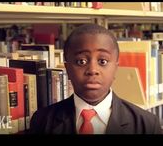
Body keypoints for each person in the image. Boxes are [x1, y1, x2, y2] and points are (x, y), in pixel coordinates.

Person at [29, 23, 162, 134]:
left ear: (115, 68)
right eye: (81, 61)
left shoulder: (147, 125)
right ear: (67, 69)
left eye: (102, 61)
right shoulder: (42, 121)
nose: (92, 70)